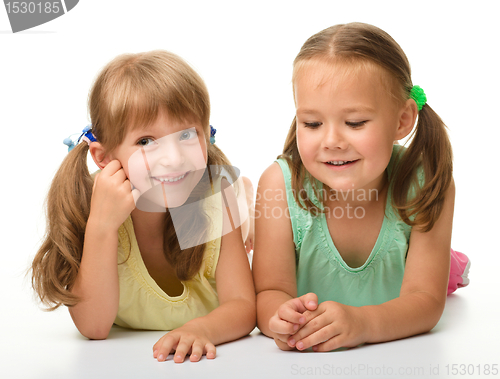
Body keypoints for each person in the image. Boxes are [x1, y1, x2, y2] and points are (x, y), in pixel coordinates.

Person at [253, 22, 470, 353]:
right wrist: (280, 319)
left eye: (354, 123)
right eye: (311, 123)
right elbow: (270, 290)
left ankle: (451, 266)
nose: (331, 141)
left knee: (439, 275)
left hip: (409, 285)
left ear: (402, 120)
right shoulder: (277, 185)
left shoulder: (426, 185)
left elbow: (425, 301)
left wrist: (363, 323)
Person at [31, 50, 256, 363]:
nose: (174, 158)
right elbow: (94, 327)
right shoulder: (92, 205)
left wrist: (203, 329)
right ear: (103, 157)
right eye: (146, 141)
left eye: (187, 134)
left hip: (213, 199)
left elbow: (245, 306)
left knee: (235, 206)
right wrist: (102, 226)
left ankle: (247, 206)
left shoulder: (216, 195)